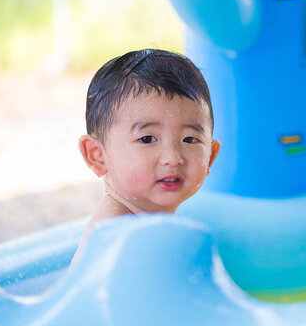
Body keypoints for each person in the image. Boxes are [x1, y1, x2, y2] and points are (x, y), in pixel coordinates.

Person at [72, 49, 220, 263]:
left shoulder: (144, 223)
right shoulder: (116, 234)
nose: (172, 158)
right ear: (98, 156)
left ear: (211, 156)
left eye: (189, 139)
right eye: (147, 139)